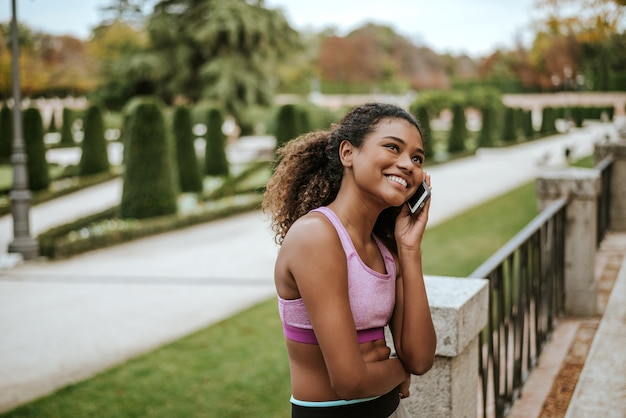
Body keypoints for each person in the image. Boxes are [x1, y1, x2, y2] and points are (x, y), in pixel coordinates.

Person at [263, 102, 437, 417]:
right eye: (392, 148)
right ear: (348, 153)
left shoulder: (385, 248)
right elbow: (350, 381)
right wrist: (400, 371)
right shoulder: (316, 236)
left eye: (416, 158)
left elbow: (421, 358)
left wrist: (410, 249)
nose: (408, 164)